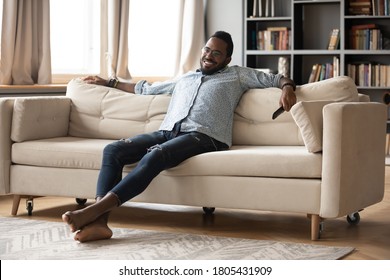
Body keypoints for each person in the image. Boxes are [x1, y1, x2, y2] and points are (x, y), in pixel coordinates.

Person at [62, 31, 297, 242]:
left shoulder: (237, 75)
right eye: (207, 49)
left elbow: (276, 78)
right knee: (113, 150)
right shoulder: (185, 78)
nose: (209, 55)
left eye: (217, 53)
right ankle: (100, 224)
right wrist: (109, 82)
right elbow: (146, 88)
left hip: (205, 136)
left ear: (226, 59)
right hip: (167, 132)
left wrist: (287, 88)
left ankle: (93, 211)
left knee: (156, 156)